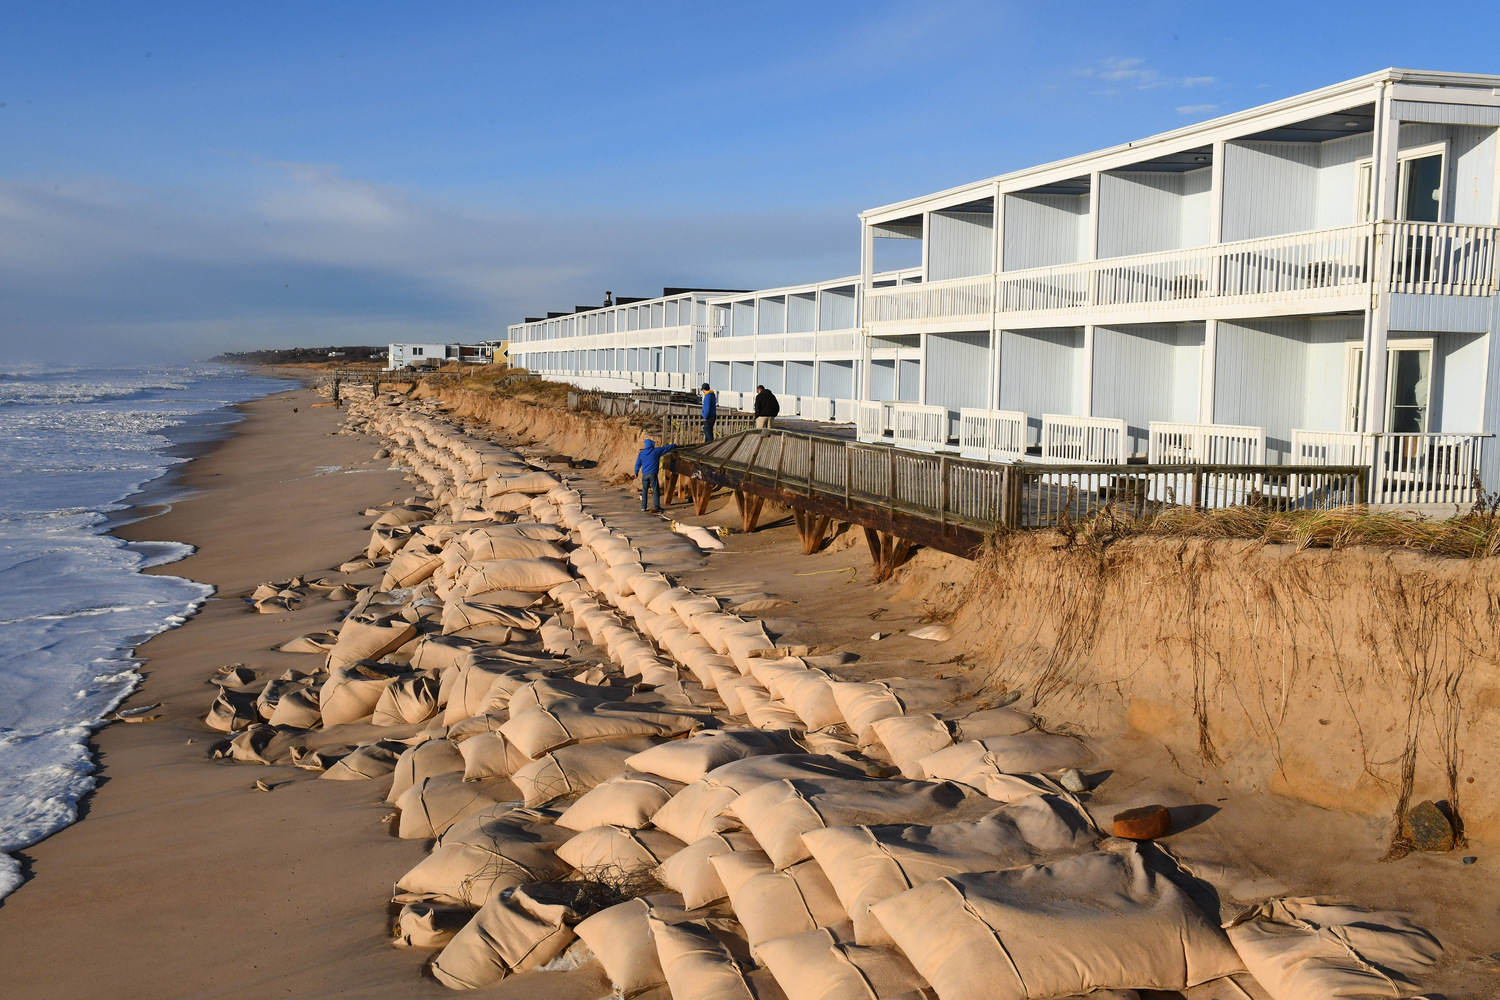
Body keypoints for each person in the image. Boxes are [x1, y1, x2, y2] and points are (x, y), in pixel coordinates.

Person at [633, 437, 677, 513]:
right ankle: (656, 506)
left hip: (645, 474)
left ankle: (643, 507)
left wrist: (636, 472)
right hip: (653, 474)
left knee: (644, 490)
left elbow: (637, 464)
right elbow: (665, 448)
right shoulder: (655, 451)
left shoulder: (642, 453)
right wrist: (674, 445)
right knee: (656, 490)